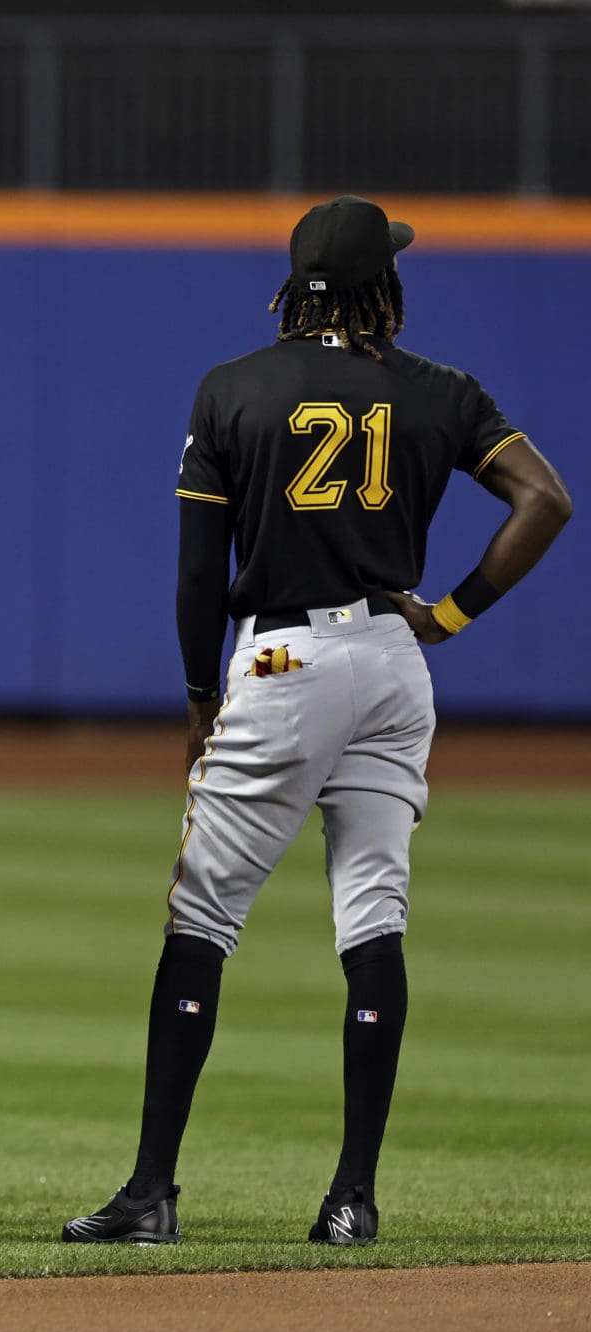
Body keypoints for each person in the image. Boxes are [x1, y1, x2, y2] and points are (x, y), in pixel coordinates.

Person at [63, 196, 572, 1246]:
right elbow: (544, 499)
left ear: (298, 289)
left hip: (281, 658)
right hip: (390, 664)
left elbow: (198, 569)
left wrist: (199, 700)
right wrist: (447, 613)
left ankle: (150, 1192)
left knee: (200, 919)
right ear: (378, 289)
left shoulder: (232, 389)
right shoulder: (439, 392)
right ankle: (349, 1198)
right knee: (370, 917)